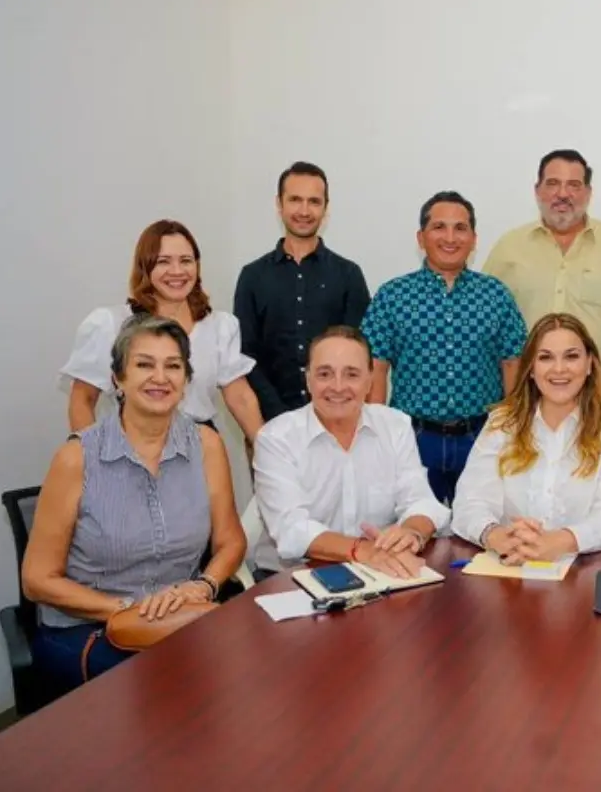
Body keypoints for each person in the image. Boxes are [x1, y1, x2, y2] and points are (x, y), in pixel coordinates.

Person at [24, 315, 247, 692]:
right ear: (118, 379)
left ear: (186, 380)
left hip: (178, 620)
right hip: (90, 626)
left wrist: (205, 586)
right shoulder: (77, 457)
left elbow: (231, 541)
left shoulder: (206, 445)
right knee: (175, 687)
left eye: (173, 366)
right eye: (144, 364)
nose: (160, 377)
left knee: (248, 667)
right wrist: (130, 609)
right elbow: (37, 579)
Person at [360, 192, 527, 504]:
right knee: (417, 532)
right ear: (421, 237)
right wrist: (377, 438)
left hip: (482, 437)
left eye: (460, 228)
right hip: (414, 438)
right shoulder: (393, 295)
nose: (450, 238)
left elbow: (512, 363)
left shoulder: (495, 295)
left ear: (474, 238)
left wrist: (512, 433)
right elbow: (376, 367)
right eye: (439, 227)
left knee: (482, 529)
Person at [252, 326, 449, 579]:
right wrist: (361, 551)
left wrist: (411, 533)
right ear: (308, 379)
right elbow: (292, 529)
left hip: (379, 573)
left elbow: (420, 500)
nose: (337, 386)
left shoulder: (395, 425)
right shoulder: (276, 438)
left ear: (370, 380)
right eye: (325, 374)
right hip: (292, 576)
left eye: (351, 375)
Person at [452, 313, 601, 563]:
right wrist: (496, 535)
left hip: (589, 569)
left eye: (571, 356)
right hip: (512, 567)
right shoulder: (502, 423)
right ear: (530, 369)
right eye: (545, 358)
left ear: (590, 365)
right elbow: (470, 502)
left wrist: (563, 541)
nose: (559, 369)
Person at [61, 219, 264, 439]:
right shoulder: (110, 324)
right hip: (131, 447)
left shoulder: (220, 326)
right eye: (163, 261)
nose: (177, 271)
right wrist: (91, 459)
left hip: (199, 448)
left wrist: (269, 458)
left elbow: (241, 398)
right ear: (145, 267)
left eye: (186, 261)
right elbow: (82, 399)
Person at [482, 149, 601, 395]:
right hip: (527, 405)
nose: (562, 194)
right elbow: (485, 326)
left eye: (574, 185)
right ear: (537, 191)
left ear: (588, 193)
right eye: (553, 184)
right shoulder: (509, 248)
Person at [234, 161, 371, 423]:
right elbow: (245, 355)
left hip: (335, 421)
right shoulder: (252, 276)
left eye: (314, 201)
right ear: (279, 203)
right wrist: (278, 416)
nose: (304, 211)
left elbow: (359, 352)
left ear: (326, 208)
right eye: (295, 200)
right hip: (268, 424)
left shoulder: (348, 275)